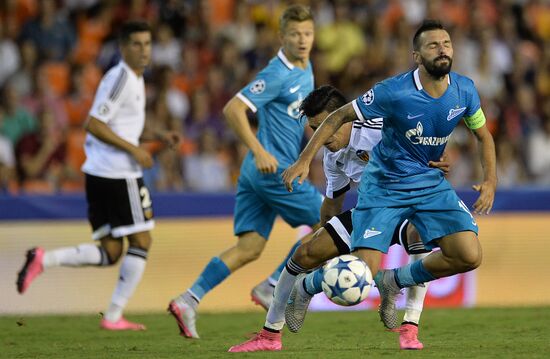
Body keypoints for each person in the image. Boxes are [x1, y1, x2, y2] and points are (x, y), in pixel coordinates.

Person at [282, 19, 497, 345]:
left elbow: (483, 135)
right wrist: (303, 160)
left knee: (469, 254)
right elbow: (338, 116)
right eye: (433, 45)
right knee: (361, 272)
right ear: (417, 55)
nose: (442, 50)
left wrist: (491, 180)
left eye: (447, 44)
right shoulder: (393, 92)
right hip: (384, 187)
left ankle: (393, 281)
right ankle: (308, 286)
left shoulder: (465, 90)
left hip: (427, 183)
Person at [228, 85, 450, 352]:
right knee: (305, 254)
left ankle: (410, 328)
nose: (319, 136)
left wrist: (432, 158)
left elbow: (422, 136)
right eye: (313, 129)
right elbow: (332, 207)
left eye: (324, 126)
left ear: (344, 117)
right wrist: (322, 238)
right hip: (373, 212)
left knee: (419, 231)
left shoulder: (379, 127)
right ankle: (271, 333)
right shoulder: (333, 156)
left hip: (408, 204)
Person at [167, 4, 323, 339]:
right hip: (272, 169)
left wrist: (306, 155)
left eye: (307, 33)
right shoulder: (276, 73)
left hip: (261, 172)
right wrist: (259, 149)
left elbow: (297, 116)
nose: (302, 40)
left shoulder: (306, 65)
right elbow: (233, 109)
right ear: (281, 37)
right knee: (330, 221)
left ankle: (188, 300)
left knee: (250, 247)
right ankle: (271, 286)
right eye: (295, 34)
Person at [16, 21, 179, 331]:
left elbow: (123, 126)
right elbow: (94, 124)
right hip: (118, 173)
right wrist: (134, 151)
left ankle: (42, 259)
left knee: (111, 251)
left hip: (98, 173)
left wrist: (158, 135)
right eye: (137, 44)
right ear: (122, 48)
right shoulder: (121, 78)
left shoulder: (133, 79)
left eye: (147, 44)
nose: (144, 50)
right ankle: (115, 316)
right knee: (142, 239)